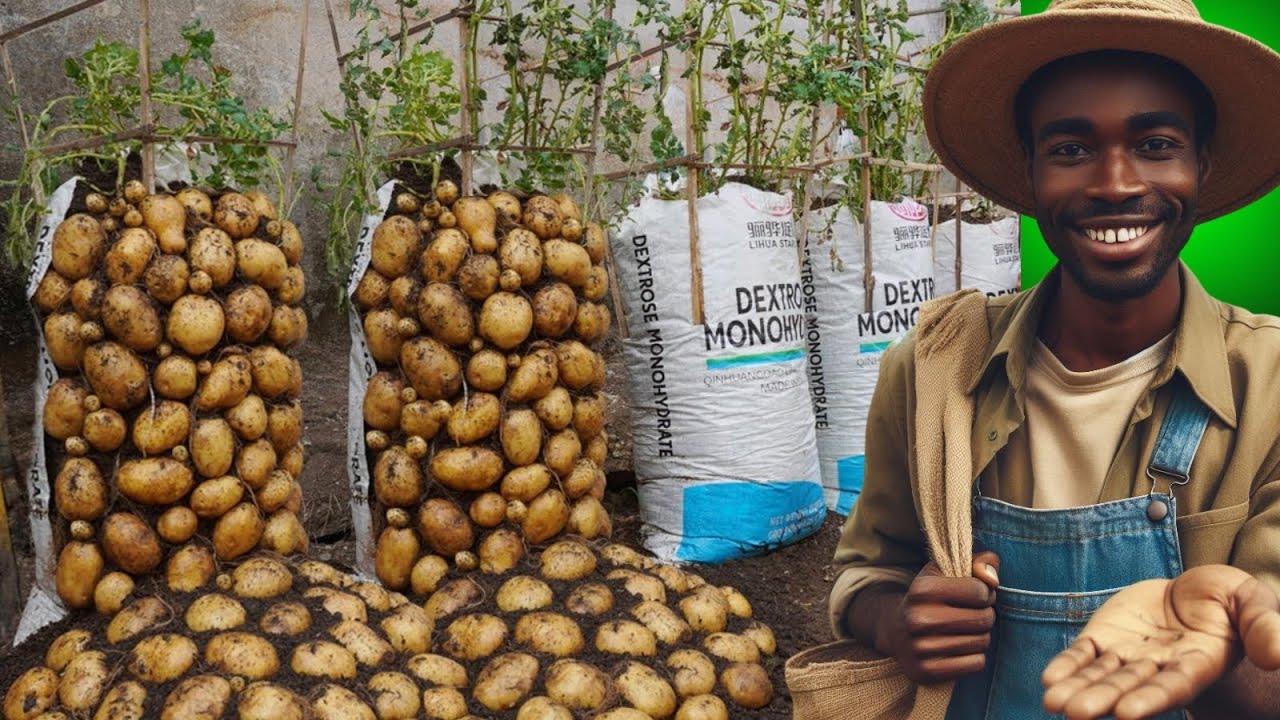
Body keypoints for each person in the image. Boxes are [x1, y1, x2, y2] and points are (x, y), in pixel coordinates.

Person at [828, 1, 1280, 718]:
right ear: (1029, 171)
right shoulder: (931, 368)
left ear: (1203, 162)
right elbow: (866, 569)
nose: (1115, 183)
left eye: (1157, 143)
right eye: (1071, 149)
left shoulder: (1271, 387)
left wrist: (1223, 645)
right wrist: (894, 620)